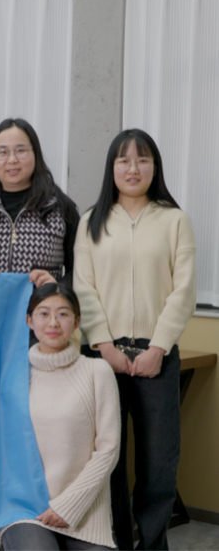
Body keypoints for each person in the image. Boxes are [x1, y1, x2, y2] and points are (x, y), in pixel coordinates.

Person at [74, 129, 196, 551]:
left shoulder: (174, 220)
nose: (133, 168)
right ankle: (115, 544)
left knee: (158, 461)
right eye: (123, 160)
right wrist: (104, 345)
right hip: (101, 357)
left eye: (142, 160)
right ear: (111, 168)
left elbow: (183, 290)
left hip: (156, 356)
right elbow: (83, 287)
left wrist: (158, 347)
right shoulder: (91, 220)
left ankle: (153, 545)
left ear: (154, 167)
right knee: (108, 459)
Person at [0, 283, 120, 551]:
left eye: (63, 314)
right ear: (29, 321)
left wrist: (68, 506)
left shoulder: (97, 371)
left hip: (84, 512)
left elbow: (108, 450)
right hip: (24, 511)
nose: (53, 322)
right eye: (43, 313)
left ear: (77, 321)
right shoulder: (12, 375)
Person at [0, 118, 79, 287]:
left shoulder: (60, 207)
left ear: (36, 155)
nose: (12, 160)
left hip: (42, 304)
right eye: (2, 152)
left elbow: (79, 272)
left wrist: (58, 287)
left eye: (21, 150)